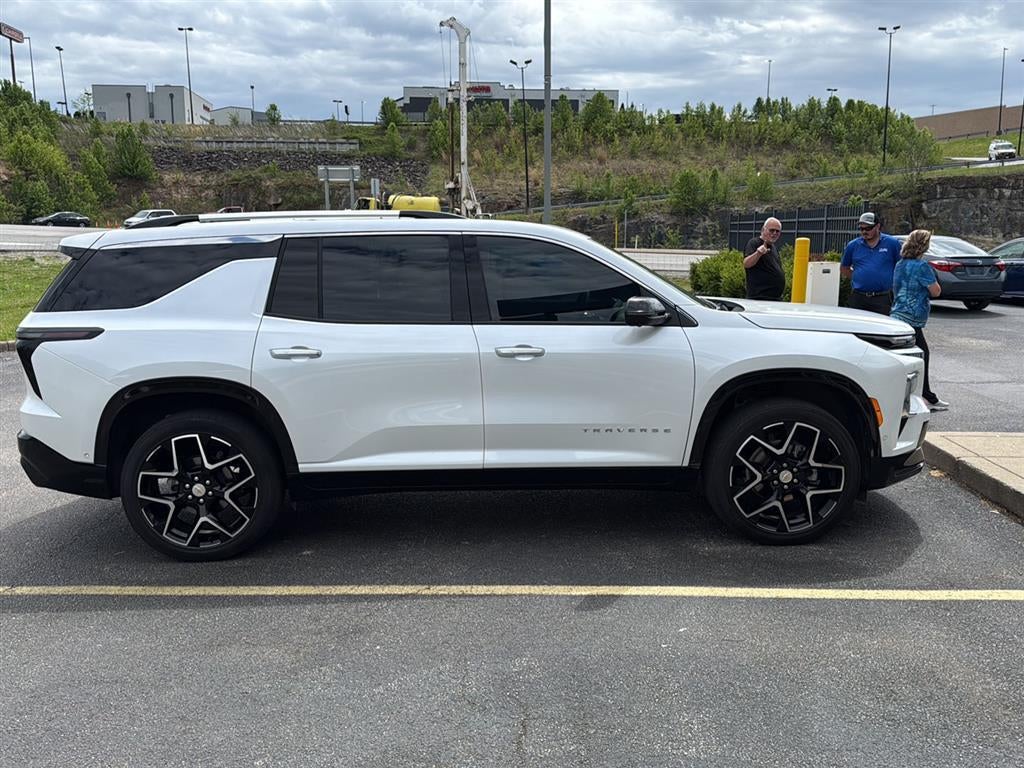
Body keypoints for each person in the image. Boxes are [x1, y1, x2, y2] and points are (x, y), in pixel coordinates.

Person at [890, 229, 949, 412]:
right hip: (913, 317)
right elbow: (935, 291)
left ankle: (915, 394)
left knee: (904, 357)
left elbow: (895, 287)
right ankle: (926, 396)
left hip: (898, 313)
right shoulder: (923, 267)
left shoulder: (900, 264)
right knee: (922, 356)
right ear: (924, 245)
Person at [840, 212, 902, 314]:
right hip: (859, 296)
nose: (864, 231)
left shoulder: (892, 243)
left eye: (868, 228)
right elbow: (844, 268)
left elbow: (900, 267)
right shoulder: (853, 245)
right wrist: (858, 278)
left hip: (883, 297)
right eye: (861, 229)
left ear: (878, 226)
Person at [743, 217, 785, 300]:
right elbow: (746, 264)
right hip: (759, 298)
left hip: (774, 299)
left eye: (777, 231)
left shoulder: (773, 248)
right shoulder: (754, 242)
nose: (774, 233)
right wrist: (758, 253)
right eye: (771, 230)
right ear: (763, 230)